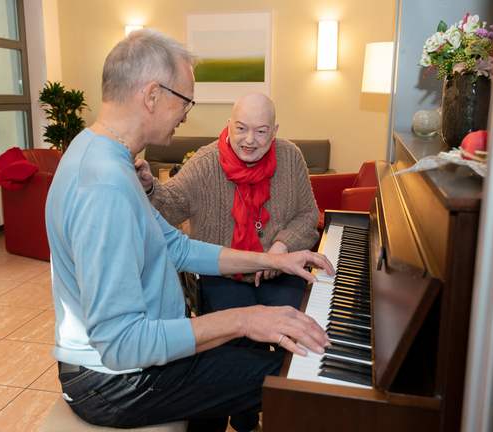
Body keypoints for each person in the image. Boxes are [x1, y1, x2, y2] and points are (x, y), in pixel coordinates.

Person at [45, 28, 334, 432]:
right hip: (115, 383)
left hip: (138, 361)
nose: (186, 114)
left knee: (263, 364)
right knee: (300, 378)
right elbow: (121, 345)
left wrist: (274, 259)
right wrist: (245, 320)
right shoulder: (105, 186)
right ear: (151, 96)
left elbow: (176, 246)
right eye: (185, 101)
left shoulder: (100, 152)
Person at [133, 92, 319, 320]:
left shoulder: (291, 157)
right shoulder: (205, 163)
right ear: (229, 125)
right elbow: (172, 207)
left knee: (296, 325)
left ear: (274, 131)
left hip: (279, 273)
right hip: (223, 276)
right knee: (241, 335)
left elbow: (308, 215)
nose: (249, 140)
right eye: (241, 128)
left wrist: (282, 247)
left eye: (260, 131)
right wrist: (150, 187)